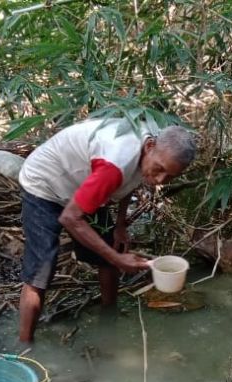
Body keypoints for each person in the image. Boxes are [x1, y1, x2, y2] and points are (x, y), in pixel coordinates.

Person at [16, 118, 197, 345]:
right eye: (160, 169)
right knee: (41, 270)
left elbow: (130, 181)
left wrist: (120, 226)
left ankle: (109, 319)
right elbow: (70, 217)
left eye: (170, 176)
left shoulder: (150, 151)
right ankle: (25, 346)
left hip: (84, 186)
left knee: (111, 247)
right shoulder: (116, 162)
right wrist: (117, 259)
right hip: (45, 184)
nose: (161, 179)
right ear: (150, 146)